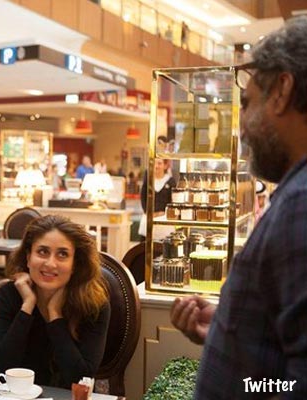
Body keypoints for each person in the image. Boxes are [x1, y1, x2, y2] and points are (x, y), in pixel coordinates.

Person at [170, 16, 307, 398]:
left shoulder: (300, 205)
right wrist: (233, 329)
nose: (242, 126)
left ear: (282, 91)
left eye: (246, 104)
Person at [0, 215, 110, 389]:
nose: (51, 263)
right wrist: (27, 306)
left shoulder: (93, 304)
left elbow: (81, 377)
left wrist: (55, 316)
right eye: (42, 252)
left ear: (74, 264)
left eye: (62, 254)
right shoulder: (9, 295)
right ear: (28, 257)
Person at [138, 159, 175, 239]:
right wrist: (148, 212)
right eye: (154, 163)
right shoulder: (148, 180)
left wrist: (163, 213)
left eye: (159, 163)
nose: (156, 166)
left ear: (165, 166)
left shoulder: (171, 181)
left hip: (164, 221)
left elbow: (173, 201)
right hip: (148, 218)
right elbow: (143, 197)